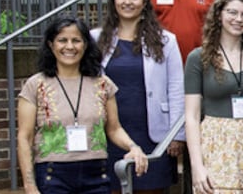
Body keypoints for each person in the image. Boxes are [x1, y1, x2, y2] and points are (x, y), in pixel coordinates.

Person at [17, 16, 149, 194]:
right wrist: (29, 185)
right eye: (62, 40)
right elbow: (25, 138)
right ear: (51, 44)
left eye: (76, 40)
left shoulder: (102, 83)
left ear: (85, 45)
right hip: (52, 174)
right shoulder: (36, 84)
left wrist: (133, 147)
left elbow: (114, 128)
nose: (69, 46)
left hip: (96, 173)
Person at [92, 0, 185, 194]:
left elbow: (176, 88)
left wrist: (177, 135)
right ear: (113, 1)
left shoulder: (166, 40)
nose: (127, 2)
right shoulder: (95, 39)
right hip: (109, 133)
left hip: (153, 133)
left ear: (144, 3)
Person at [184, 0, 243, 194]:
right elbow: (192, 116)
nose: (238, 19)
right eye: (232, 12)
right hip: (216, 144)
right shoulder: (198, 58)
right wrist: (197, 166)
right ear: (219, 15)